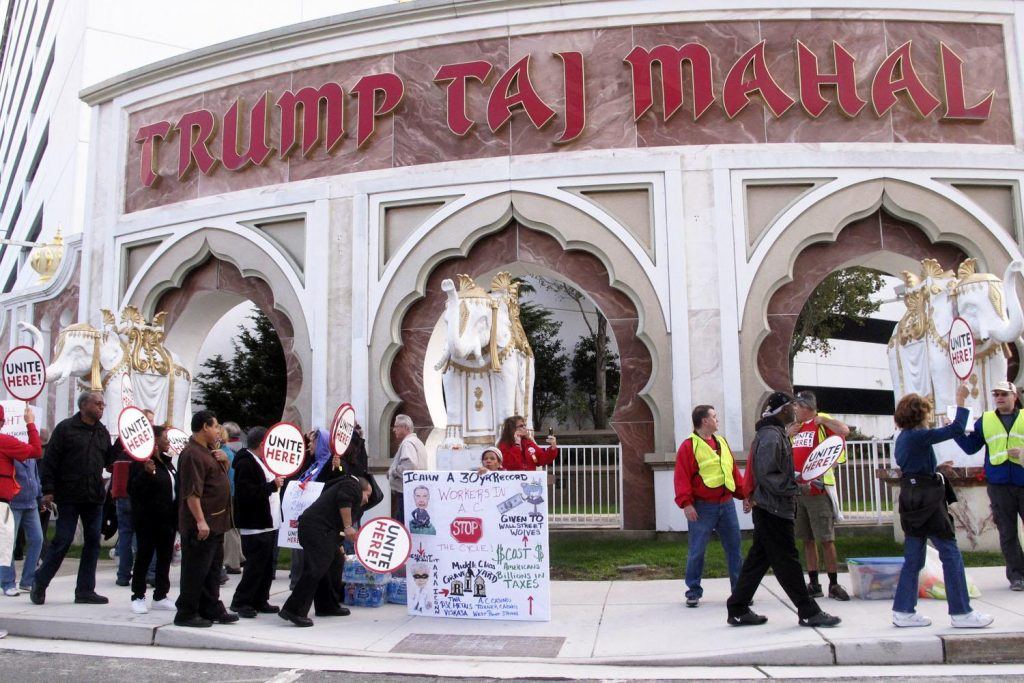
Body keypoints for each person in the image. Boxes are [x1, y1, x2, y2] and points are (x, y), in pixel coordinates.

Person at [726, 391, 840, 628]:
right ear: (783, 410)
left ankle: (737, 608)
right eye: (792, 406)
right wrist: (797, 486)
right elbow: (768, 475)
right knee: (787, 561)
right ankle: (808, 611)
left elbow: (776, 471)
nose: (796, 410)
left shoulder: (774, 434)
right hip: (773, 510)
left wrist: (801, 478)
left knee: (758, 560)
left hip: (771, 508)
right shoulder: (771, 436)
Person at [891, 385, 993, 628]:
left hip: (911, 497)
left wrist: (936, 469)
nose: (928, 417)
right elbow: (957, 428)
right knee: (950, 553)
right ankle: (961, 612)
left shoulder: (904, 438)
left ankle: (903, 611)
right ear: (920, 415)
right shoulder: (919, 436)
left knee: (913, 558)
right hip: (928, 500)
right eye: (926, 413)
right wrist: (960, 400)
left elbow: (911, 468)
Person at [32, 392, 117, 606]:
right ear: (84, 405)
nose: (101, 407)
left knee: (92, 543)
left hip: (93, 497)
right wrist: (48, 490)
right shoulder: (65, 429)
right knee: (63, 540)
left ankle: (85, 590)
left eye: (102, 404)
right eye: (97, 404)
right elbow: (50, 461)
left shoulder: (102, 432)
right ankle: (40, 582)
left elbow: (109, 462)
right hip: (68, 495)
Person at [953, 380, 1024, 591]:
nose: (1000, 398)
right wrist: (956, 424)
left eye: (1004, 394)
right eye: (997, 394)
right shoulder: (987, 420)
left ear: (1015, 397)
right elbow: (969, 447)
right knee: (1007, 532)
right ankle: (1017, 576)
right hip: (999, 484)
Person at [674, 404, 744, 608]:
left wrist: (744, 495)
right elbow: (682, 477)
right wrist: (686, 504)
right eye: (714, 416)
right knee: (697, 550)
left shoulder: (721, 442)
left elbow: (731, 471)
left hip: (726, 504)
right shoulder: (689, 446)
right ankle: (693, 591)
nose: (717, 419)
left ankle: (739, 590)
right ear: (704, 421)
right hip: (703, 506)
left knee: (735, 549)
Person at [173, 410, 239, 627]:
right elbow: (192, 493)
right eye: (215, 426)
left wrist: (224, 463)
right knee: (196, 569)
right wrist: (200, 520)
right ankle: (187, 612)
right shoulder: (192, 454)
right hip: (202, 525)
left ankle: (210, 606)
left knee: (212, 569)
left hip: (217, 523)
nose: (218, 430)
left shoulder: (210, 451)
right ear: (204, 427)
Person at [279, 476, 371, 627]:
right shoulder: (351, 485)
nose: (367, 500)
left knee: (335, 562)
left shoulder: (346, 491)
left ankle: (326, 605)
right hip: (316, 529)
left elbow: (335, 521)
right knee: (316, 567)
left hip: (322, 530)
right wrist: (348, 527)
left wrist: (339, 545)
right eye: (368, 494)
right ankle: (293, 609)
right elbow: (344, 499)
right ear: (362, 488)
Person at [789, 390, 850, 601]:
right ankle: (814, 582)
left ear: (806, 406)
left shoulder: (821, 421)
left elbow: (844, 431)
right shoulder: (795, 429)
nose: (794, 409)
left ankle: (833, 582)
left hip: (818, 489)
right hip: (799, 491)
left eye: (797, 405)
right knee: (806, 538)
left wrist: (822, 419)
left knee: (825, 538)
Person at [230, 426, 283, 618]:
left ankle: (260, 598)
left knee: (267, 565)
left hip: (268, 522)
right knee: (255, 565)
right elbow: (246, 493)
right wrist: (271, 486)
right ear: (262, 444)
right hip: (255, 524)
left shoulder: (260, 461)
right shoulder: (246, 463)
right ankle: (241, 601)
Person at [127, 426, 177, 614]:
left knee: (165, 557)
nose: (168, 441)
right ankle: (138, 595)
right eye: (165, 438)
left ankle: (161, 595)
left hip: (168, 519)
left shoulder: (167, 462)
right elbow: (132, 490)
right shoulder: (141, 463)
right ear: (155, 440)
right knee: (144, 556)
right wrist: (146, 473)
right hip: (148, 519)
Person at [0, 404, 43, 596]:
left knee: (35, 539)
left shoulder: (6, 442)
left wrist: (40, 496)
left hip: (23, 501)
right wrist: (30, 424)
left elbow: (34, 459)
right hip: (9, 501)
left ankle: (26, 580)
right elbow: (36, 450)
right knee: (7, 541)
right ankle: (8, 582)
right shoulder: (5, 442)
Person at [387, 415, 427, 523]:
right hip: (414, 490)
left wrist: (393, 472)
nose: (394, 430)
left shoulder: (407, 443)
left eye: (396, 427)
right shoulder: (417, 442)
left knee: (402, 524)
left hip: (405, 492)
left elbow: (409, 465)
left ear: (405, 427)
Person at [221, 422, 245, 577]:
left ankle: (232, 561)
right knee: (234, 528)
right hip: (235, 493)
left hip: (229, 494)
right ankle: (238, 556)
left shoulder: (225, 453)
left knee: (230, 529)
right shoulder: (235, 451)